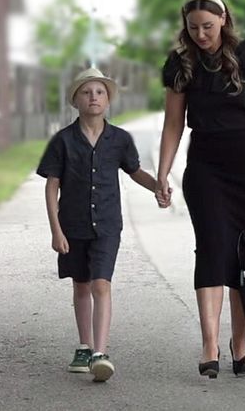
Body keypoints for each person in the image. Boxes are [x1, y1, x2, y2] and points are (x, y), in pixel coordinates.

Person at [154, 0, 245, 379]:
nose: (201, 34)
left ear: (223, 20)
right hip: (206, 168)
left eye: (208, 27)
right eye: (193, 28)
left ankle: (239, 342)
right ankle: (210, 345)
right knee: (212, 250)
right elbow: (174, 124)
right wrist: (163, 172)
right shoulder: (180, 64)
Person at [37, 67, 159, 383]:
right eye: (87, 92)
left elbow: (135, 171)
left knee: (101, 284)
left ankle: (100, 354)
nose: (94, 97)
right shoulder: (63, 141)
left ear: (108, 100)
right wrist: (56, 231)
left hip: (107, 225)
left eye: (100, 92)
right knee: (80, 284)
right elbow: (52, 186)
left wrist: (158, 186)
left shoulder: (119, 139)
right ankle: (84, 345)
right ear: (75, 100)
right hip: (72, 226)